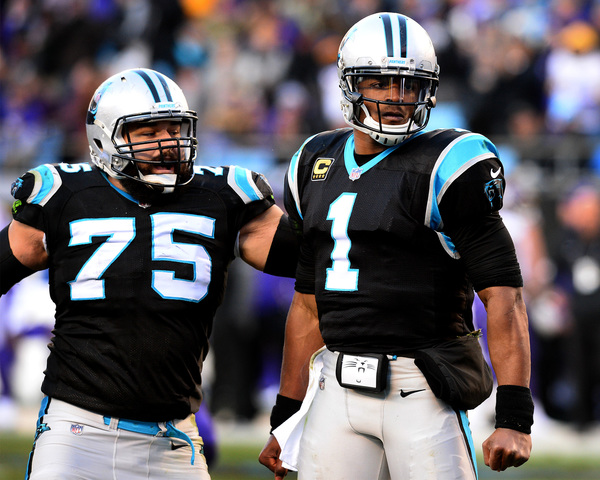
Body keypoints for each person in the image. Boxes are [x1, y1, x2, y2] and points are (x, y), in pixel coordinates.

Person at [259, 12, 533, 480]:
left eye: (410, 85)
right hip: (334, 389)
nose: (396, 97)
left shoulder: (449, 162)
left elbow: (504, 296)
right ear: (349, 84)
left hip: (421, 389)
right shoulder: (313, 161)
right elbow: (306, 305)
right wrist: (286, 415)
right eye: (379, 82)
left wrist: (514, 417)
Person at [0, 67, 298, 480]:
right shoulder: (64, 196)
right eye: (148, 132)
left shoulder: (222, 196)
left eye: (174, 128)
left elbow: (321, 265)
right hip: (76, 429)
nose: (168, 143)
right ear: (105, 138)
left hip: (173, 434)